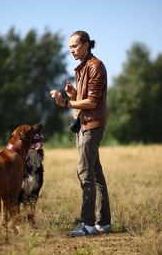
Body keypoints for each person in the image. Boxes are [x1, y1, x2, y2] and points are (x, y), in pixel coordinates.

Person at [50, 30, 111, 236]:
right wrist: (74, 95)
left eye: (74, 46)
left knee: (85, 173)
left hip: (91, 126)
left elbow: (92, 103)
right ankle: (104, 223)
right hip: (85, 123)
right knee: (96, 174)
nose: (71, 50)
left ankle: (87, 224)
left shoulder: (95, 66)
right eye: (69, 47)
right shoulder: (83, 68)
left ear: (86, 45)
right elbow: (85, 100)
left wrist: (65, 103)